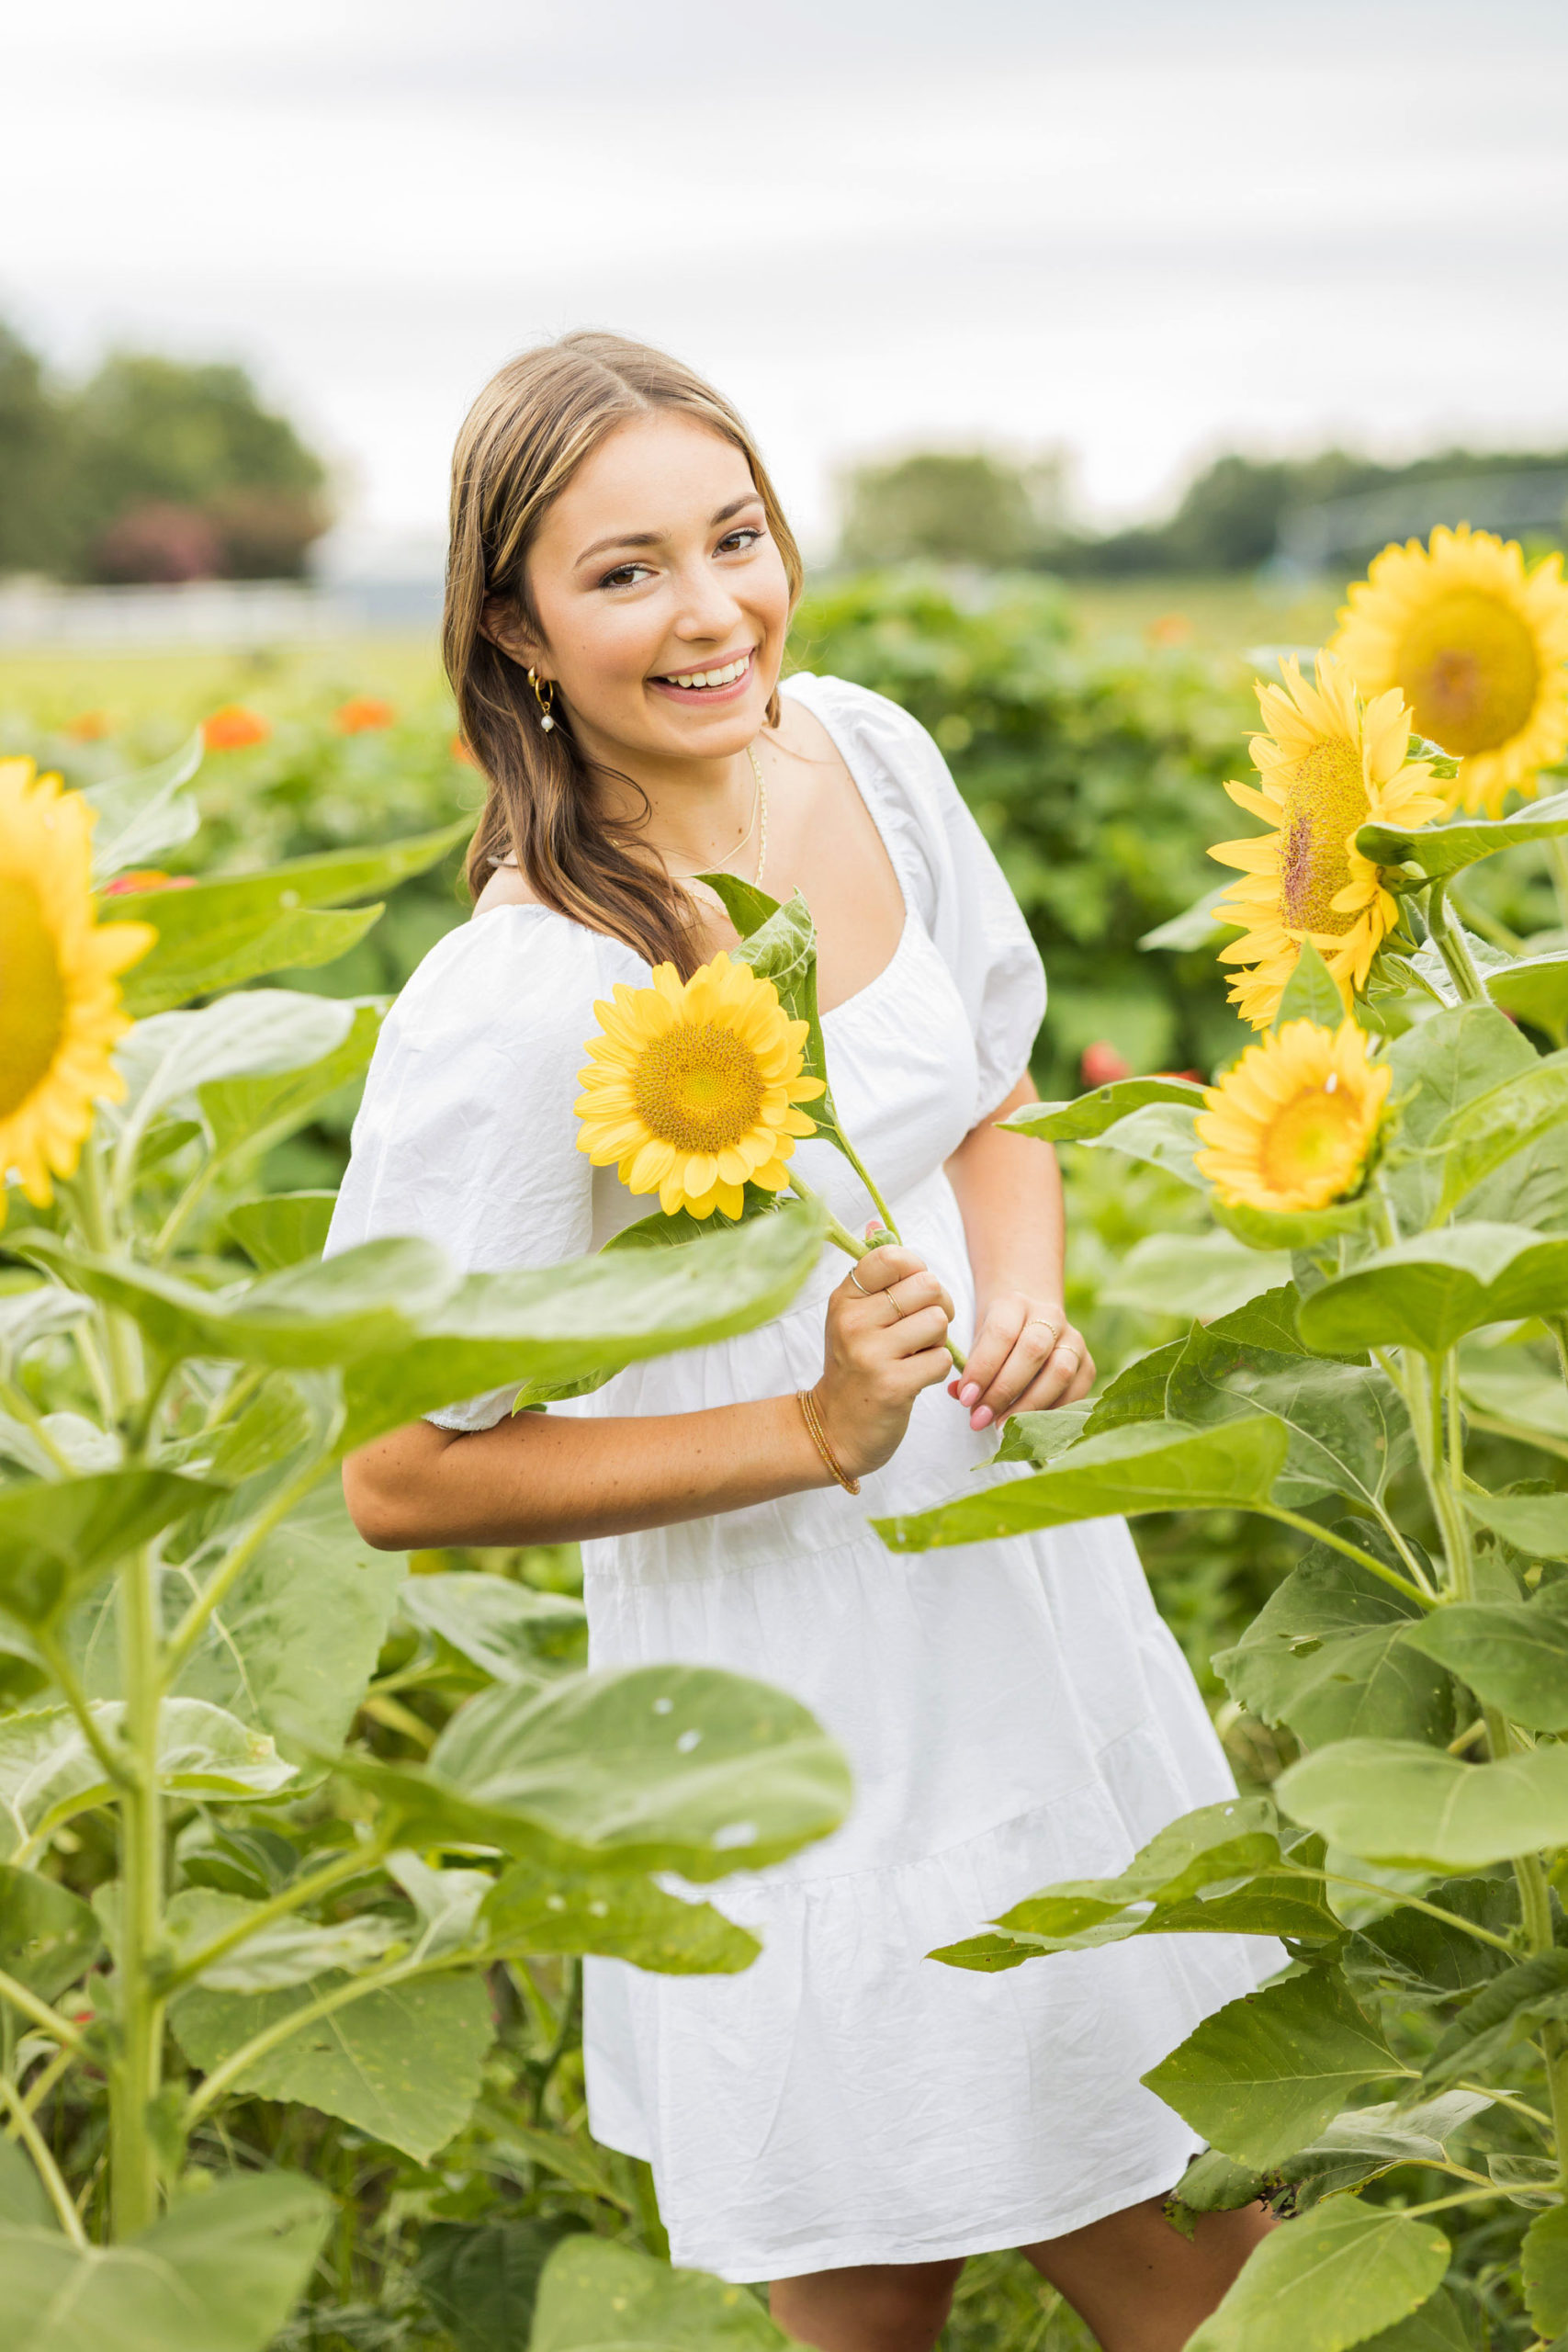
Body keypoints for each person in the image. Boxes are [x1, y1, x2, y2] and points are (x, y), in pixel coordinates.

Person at [330, 332, 1278, 2352]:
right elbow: (399, 1468)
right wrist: (809, 1421)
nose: (709, 611)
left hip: (1022, 1602)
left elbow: (994, 1102)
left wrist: (1019, 1292)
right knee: (888, 2282)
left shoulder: (860, 748)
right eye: (624, 571)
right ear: (511, 626)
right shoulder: (523, 995)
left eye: (733, 536)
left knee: (1205, 2241)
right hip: (790, 1695)